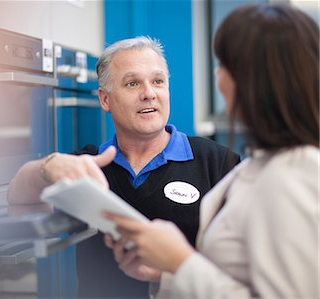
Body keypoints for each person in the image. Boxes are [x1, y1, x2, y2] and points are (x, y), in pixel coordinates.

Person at [103, 4, 319, 299]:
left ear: (255, 81)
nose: (218, 77)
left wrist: (181, 261)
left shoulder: (291, 176)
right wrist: (168, 274)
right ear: (105, 98)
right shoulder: (260, 167)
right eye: (132, 83)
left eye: (225, 65)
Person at [8, 36, 240, 298]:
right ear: (105, 99)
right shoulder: (86, 166)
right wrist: (47, 166)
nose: (149, 93)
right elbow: (18, 197)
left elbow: (242, 269)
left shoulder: (218, 163)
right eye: (132, 83)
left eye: (158, 81)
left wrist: (168, 273)